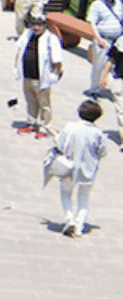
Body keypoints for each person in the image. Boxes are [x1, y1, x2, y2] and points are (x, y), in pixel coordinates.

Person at [50, 99, 111, 237]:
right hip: (89, 171)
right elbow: (102, 152)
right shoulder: (99, 134)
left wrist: (55, 135)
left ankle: (69, 219)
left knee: (65, 193)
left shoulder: (70, 127)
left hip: (70, 169)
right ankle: (79, 225)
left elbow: (60, 145)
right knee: (84, 198)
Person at [13, 13, 65, 134]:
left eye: (39, 25)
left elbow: (57, 59)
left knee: (44, 103)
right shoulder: (27, 34)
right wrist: (16, 67)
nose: (36, 27)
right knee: (30, 101)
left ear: (44, 26)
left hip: (42, 78)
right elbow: (19, 50)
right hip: (27, 75)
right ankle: (31, 123)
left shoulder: (51, 39)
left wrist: (54, 74)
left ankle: (45, 126)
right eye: (34, 24)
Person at [87, 0, 123, 97]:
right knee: (98, 64)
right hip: (103, 37)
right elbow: (92, 23)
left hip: (117, 39)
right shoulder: (97, 5)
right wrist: (98, 39)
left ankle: (113, 86)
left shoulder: (119, 4)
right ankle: (95, 89)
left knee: (115, 64)